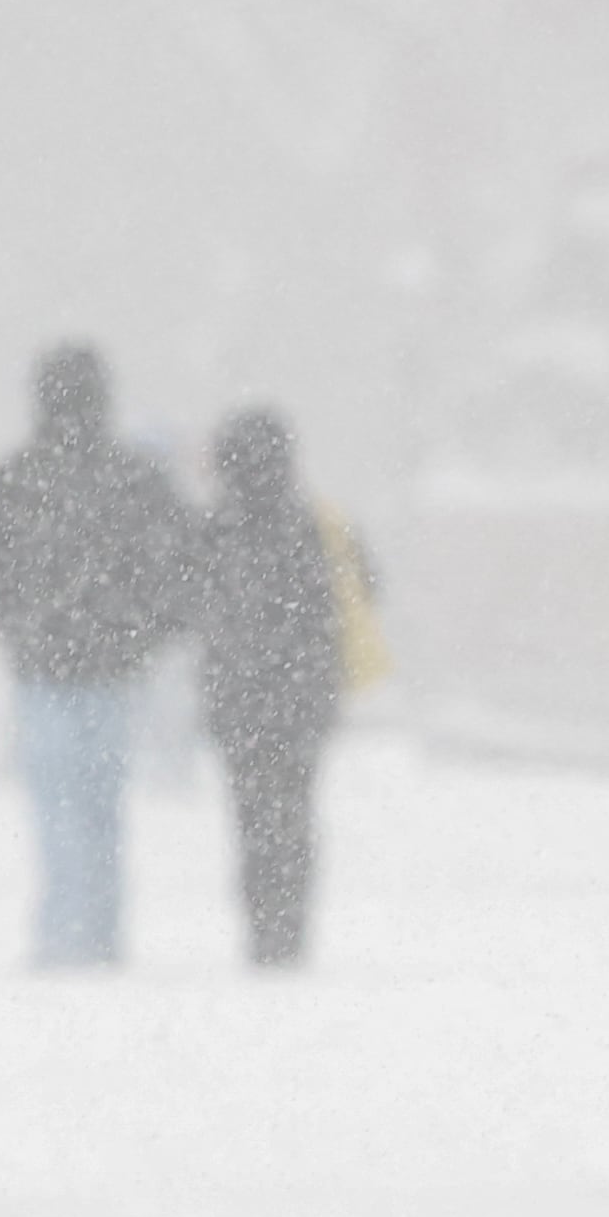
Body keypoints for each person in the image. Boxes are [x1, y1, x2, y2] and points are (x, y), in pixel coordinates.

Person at [0, 343, 196, 967]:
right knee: (101, 804)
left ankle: (65, 932)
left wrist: (16, 620)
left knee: (57, 805)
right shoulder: (136, 479)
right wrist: (140, 634)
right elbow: (180, 570)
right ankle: (101, 931)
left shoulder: (12, 479)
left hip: (42, 669)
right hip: (113, 672)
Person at [192, 407, 354, 967]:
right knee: (296, 811)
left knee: (251, 813)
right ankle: (291, 923)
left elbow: (180, 600)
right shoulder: (316, 525)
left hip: (237, 699)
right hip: (304, 697)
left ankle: (262, 922)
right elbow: (364, 590)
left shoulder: (214, 529)